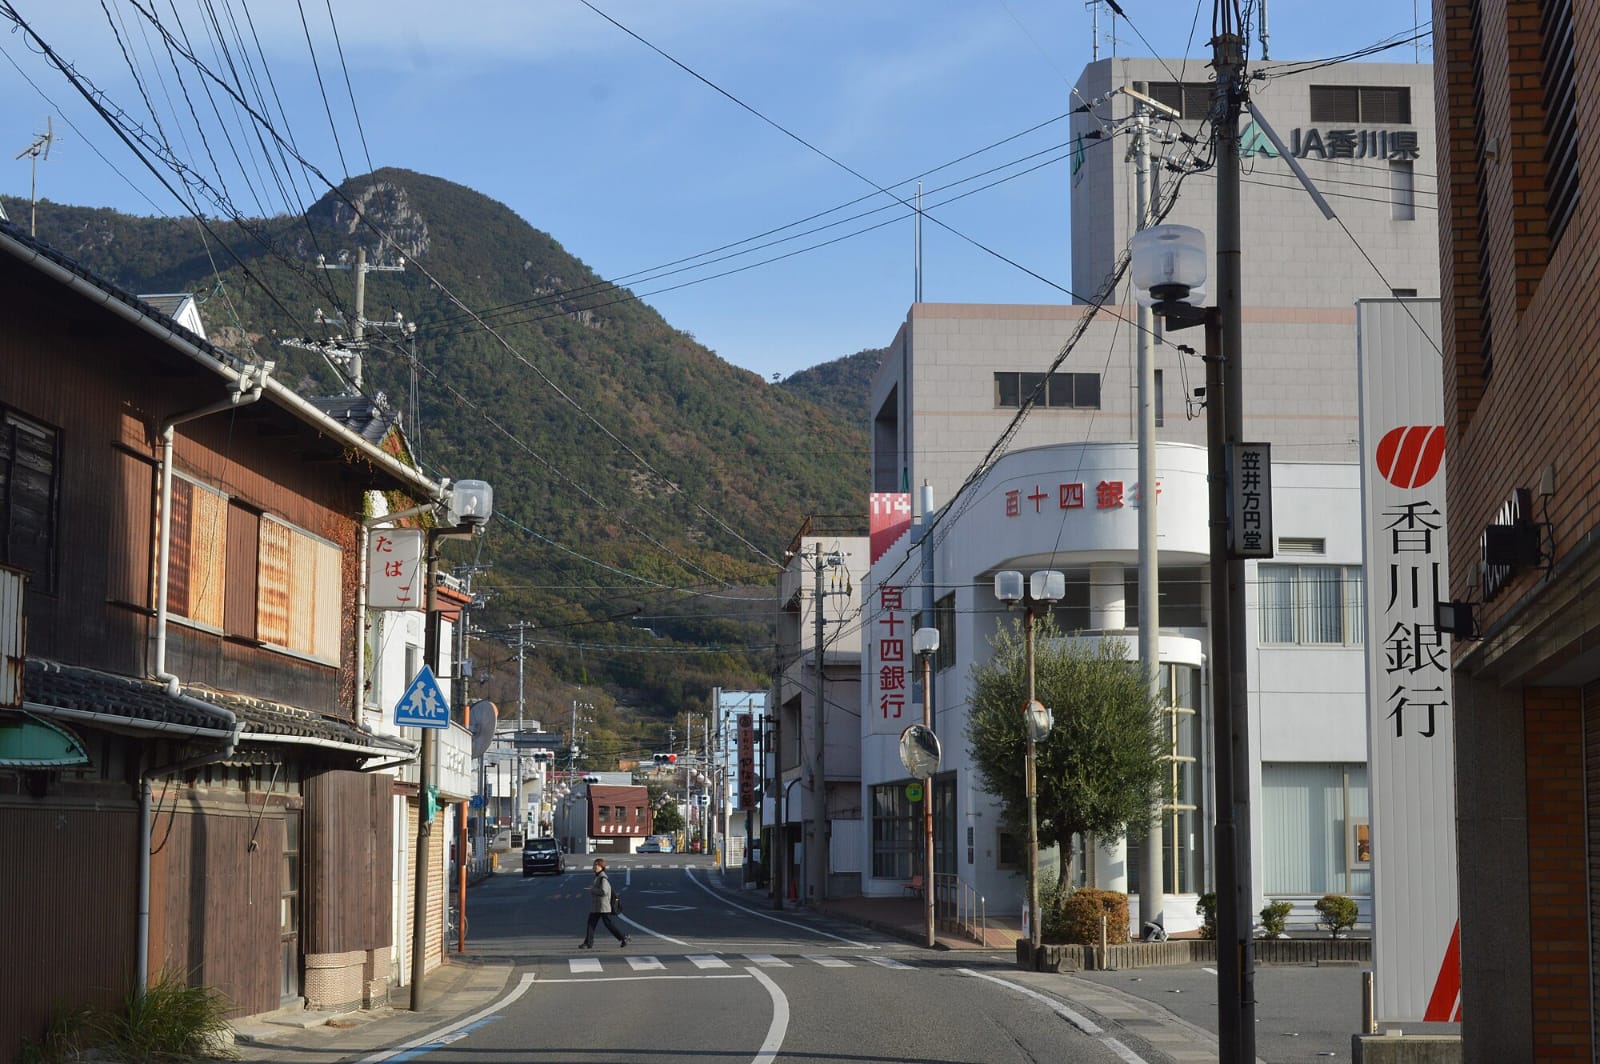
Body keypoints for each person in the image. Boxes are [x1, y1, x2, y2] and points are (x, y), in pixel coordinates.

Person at [581, 857, 628, 948]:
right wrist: (593, 889)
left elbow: (604, 891)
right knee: (592, 924)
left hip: (603, 906)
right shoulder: (598, 877)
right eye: (594, 864)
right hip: (598, 906)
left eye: (596, 865)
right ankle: (588, 943)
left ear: (601, 867)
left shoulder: (603, 878)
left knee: (608, 924)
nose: (594, 866)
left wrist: (592, 890)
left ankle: (623, 937)